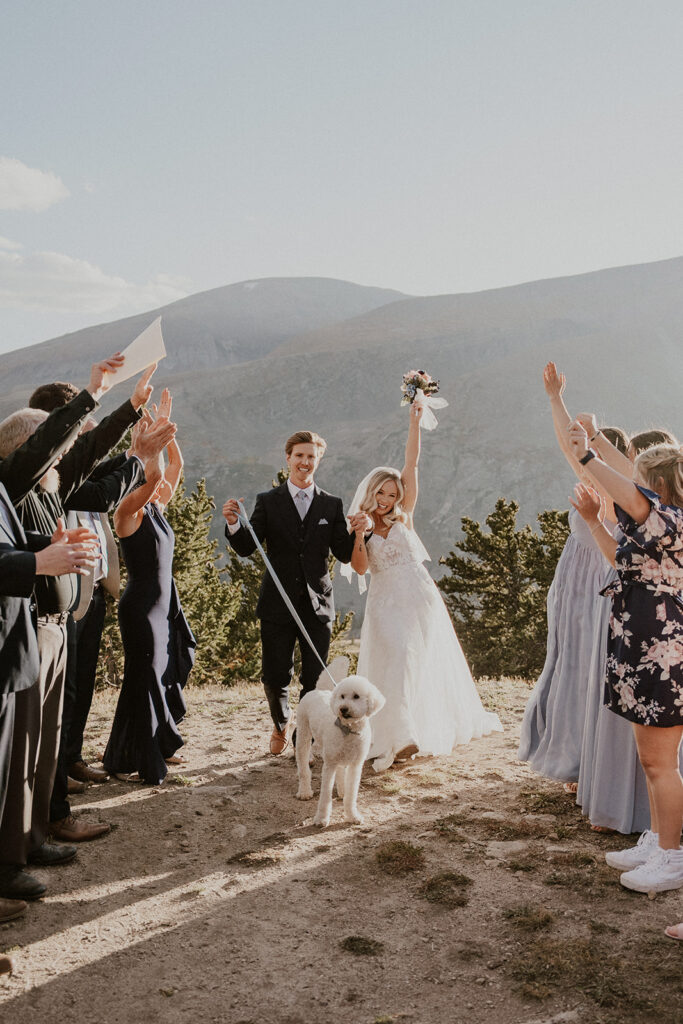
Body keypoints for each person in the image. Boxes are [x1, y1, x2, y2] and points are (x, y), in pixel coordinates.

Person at [0, 355, 168, 877]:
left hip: (56, 627)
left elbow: (91, 460)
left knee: (44, 747)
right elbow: (66, 451)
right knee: (20, 756)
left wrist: (134, 435)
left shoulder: (48, 490)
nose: (65, 460)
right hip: (29, 631)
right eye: (57, 451)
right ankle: (12, 857)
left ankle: (33, 837)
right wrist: (95, 393)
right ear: (30, 452)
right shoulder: (20, 486)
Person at [346, 402, 502, 772]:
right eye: (382, 494)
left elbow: (411, 465)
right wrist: (358, 534)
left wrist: (414, 423)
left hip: (419, 596)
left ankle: (411, 733)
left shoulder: (406, 515)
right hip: (385, 600)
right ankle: (398, 736)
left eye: (392, 495)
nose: (387, 500)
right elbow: (361, 567)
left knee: (417, 660)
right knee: (395, 660)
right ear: (371, 493)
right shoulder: (361, 523)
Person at [568, 422, 683, 894]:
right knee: (650, 760)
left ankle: (672, 858)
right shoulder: (654, 525)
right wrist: (595, 519)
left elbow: (627, 490)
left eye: (642, 481)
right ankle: (657, 840)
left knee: (661, 764)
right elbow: (621, 560)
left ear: (656, 487)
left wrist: (589, 456)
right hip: (638, 644)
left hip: (663, 650)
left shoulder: (671, 519)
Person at [223, 430, 369, 754]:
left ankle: (306, 737)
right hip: (277, 604)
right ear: (288, 458)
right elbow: (248, 547)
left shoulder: (331, 505)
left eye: (311, 456)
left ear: (318, 460)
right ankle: (281, 723)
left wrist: (360, 532)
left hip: (318, 604)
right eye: (299, 456)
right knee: (275, 677)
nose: (305, 462)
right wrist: (234, 524)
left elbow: (345, 554)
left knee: (316, 679)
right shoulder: (268, 502)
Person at [518, 363, 626, 789]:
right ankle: (573, 756)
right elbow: (569, 447)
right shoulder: (588, 480)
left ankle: (590, 763)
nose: (584, 459)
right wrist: (555, 399)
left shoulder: (623, 495)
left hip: (599, 584)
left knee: (591, 664)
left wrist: (556, 401)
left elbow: (572, 449)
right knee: (570, 661)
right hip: (571, 584)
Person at [0, 483, 97, 909]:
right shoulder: (18, 474)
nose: (58, 465)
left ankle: (24, 845)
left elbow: (11, 540)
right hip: (15, 637)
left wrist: (48, 545)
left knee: (33, 751)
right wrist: (39, 560)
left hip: (23, 636)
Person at [103, 401, 195, 785]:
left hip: (162, 609)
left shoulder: (157, 508)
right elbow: (156, 477)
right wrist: (147, 450)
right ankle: (142, 758)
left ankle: (128, 753)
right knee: (142, 680)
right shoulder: (127, 511)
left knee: (152, 678)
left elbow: (175, 470)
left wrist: (166, 433)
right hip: (140, 609)